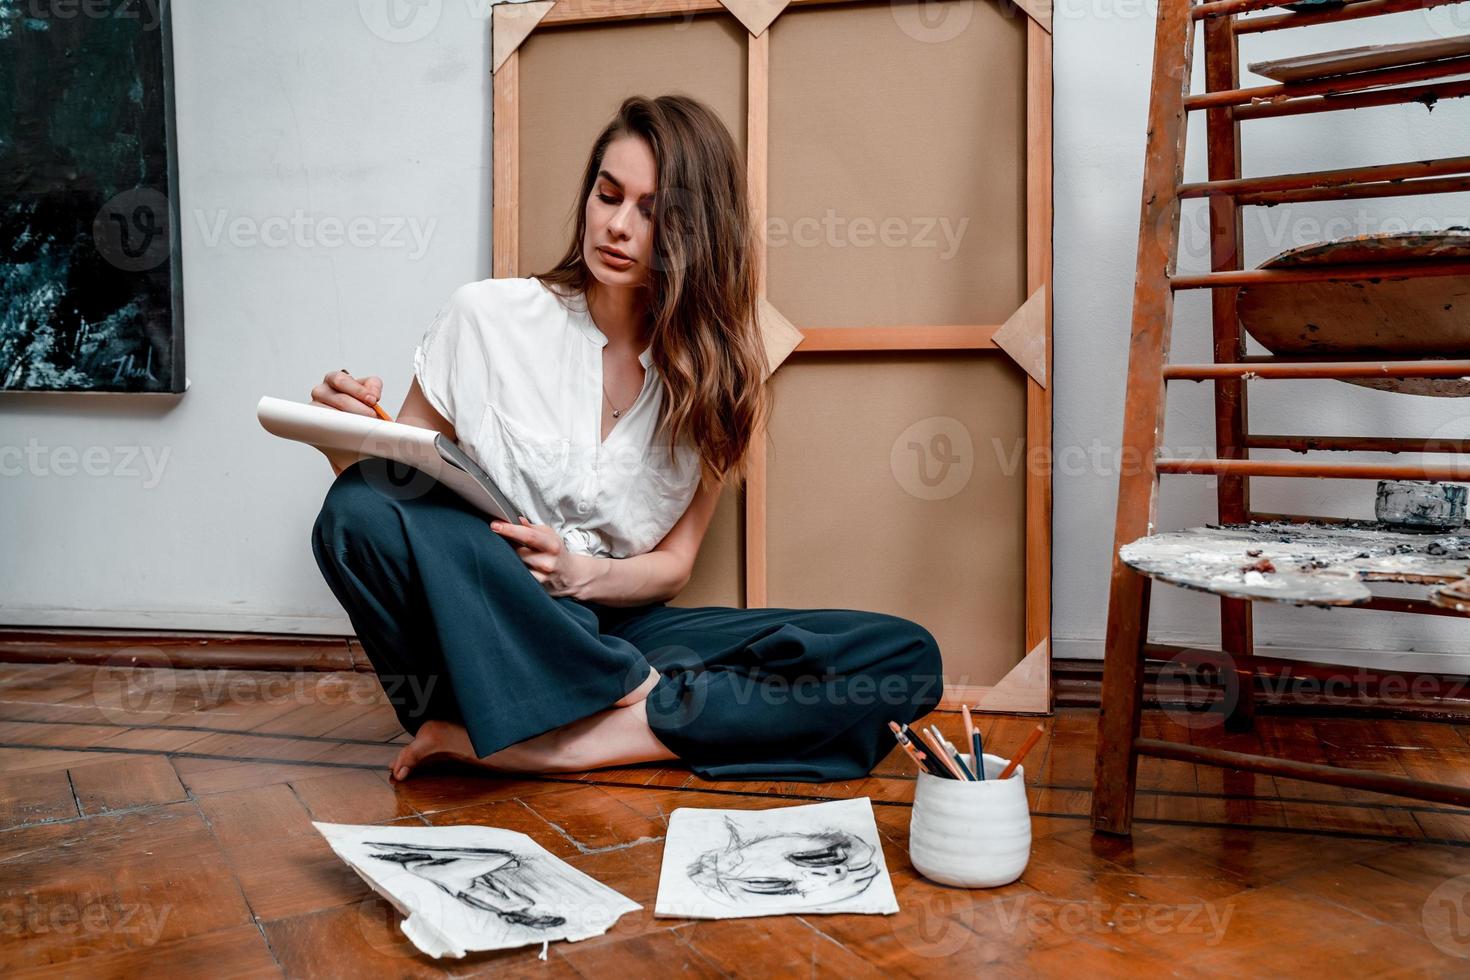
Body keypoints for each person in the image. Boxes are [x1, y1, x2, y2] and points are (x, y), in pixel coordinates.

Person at [307, 94, 943, 784]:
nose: (616, 226)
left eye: (651, 212)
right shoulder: (484, 316)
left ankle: (565, 742)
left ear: (696, 233)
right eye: (607, 195)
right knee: (356, 509)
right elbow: (400, 499)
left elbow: (674, 564)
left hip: (623, 628)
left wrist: (589, 576)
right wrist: (344, 439)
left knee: (900, 658)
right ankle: (626, 700)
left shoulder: (719, 378)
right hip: (490, 633)